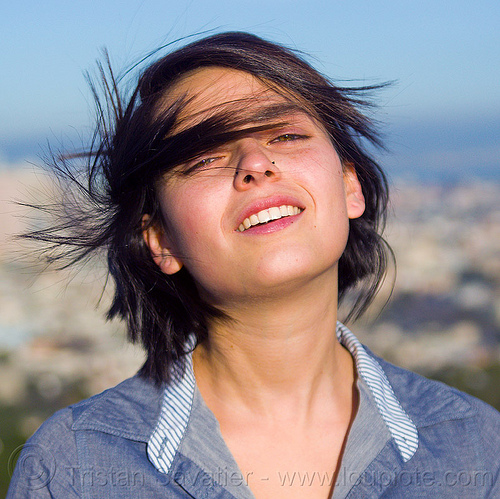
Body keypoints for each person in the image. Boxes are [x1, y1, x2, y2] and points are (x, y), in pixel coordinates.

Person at [7, 32, 499, 498]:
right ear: (159, 238)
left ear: (351, 187)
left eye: (284, 135)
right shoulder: (77, 466)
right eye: (202, 158)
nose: (255, 162)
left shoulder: (473, 448)